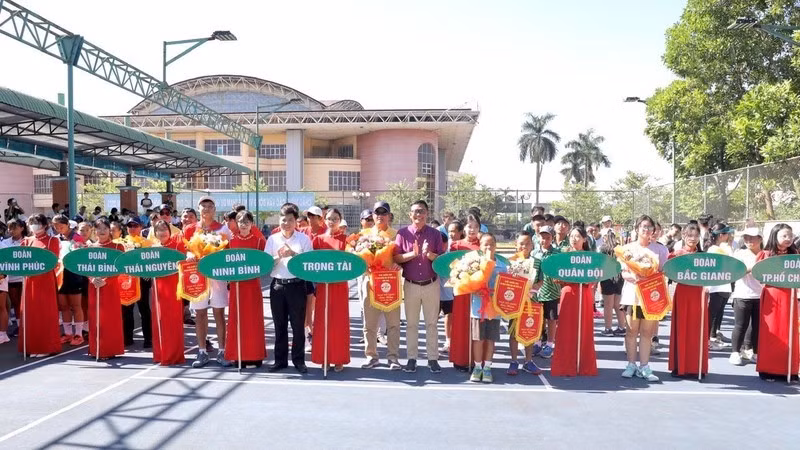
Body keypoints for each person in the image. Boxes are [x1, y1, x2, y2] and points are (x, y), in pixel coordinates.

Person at [394, 200, 444, 374]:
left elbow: (442, 260)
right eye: (415, 211)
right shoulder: (402, 233)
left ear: (427, 214)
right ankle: (411, 358)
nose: (418, 215)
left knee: (432, 323)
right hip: (411, 285)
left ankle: (433, 359)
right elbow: (397, 258)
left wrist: (429, 255)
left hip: (431, 284)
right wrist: (412, 254)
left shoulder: (435, 234)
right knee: (411, 324)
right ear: (410, 215)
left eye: (421, 211)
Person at [184, 197, 232, 368]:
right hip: (196, 277)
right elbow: (185, 249)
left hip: (217, 275)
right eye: (203, 206)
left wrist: (215, 257)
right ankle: (202, 351)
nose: (206, 209)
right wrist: (189, 255)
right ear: (198, 209)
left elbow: (228, 251)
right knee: (200, 314)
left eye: (210, 206)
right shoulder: (190, 229)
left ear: (215, 209)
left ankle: (222, 351)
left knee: (219, 312)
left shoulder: (223, 228)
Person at [619, 215, 669, 382]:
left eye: (649, 227)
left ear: (653, 230)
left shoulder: (660, 250)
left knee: (647, 333)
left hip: (650, 298)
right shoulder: (627, 249)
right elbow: (623, 272)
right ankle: (631, 364)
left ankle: (645, 366)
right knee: (631, 331)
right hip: (631, 295)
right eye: (643, 226)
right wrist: (635, 278)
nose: (646, 230)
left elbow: (663, 272)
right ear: (637, 229)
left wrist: (650, 278)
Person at [265, 203, 313, 373]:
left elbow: (308, 263)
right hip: (278, 286)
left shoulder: (303, 239)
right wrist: (277, 257)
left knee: (298, 325)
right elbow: (266, 265)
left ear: (296, 222)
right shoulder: (272, 239)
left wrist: (293, 254)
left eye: (290, 220)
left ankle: (299, 361)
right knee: (279, 325)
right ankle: (280, 361)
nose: (286, 223)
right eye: (283, 220)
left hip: (297, 286)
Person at [359, 201, 401, 370]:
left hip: (391, 284)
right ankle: (371, 356)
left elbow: (401, 258)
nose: (380, 216)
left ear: (389, 216)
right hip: (370, 282)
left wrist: (400, 266)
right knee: (369, 324)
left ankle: (393, 357)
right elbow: (358, 258)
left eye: (384, 213)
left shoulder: (396, 235)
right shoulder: (364, 234)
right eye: (377, 213)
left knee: (393, 324)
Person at [550, 226, 598, 376]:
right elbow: (556, 277)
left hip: (584, 294)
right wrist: (568, 278)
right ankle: (565, 364)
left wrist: (586, 281)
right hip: (568, 294)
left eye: (578, 236)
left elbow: (595, 276)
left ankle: (583, 364)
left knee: (584, 328)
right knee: (566, 328)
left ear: (584, 239)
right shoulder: (564, 255)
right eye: (572, 236)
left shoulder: (591, 257)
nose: (574, 239)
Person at [755, 224, 799, 381]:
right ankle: (768, 369)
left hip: (790, 296)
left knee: (790, 332)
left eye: (790, 236)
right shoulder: (765, 254)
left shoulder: (795, 255)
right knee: (771, 333)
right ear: (775, 236)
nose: (788, 239)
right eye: (784, 236)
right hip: (772, 297)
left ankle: (789, 369)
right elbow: (758, 274)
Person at [225, 210, 268, 368]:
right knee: (237, 320)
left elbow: (267, 262)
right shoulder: (230, 242)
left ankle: (255, 355)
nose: (243, 225)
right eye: (241, 221)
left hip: (253, 287)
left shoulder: (258, 242)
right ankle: (238, 355)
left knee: (253, 320)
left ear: (252, 224)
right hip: (236, 287)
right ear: (236, 223)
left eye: (247, 222)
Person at [310, 208, 350, 372]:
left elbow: (351, 263)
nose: (332, 221)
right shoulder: (318, 240)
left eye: (335, 218)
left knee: (338, 323)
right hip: (323, 287)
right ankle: (324, 357)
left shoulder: (347, 240)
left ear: (340, 220)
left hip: (340, 286)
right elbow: (312, 263)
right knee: (322, 322)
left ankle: (339, 358)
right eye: (329, 218)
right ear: (324, 220)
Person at [667, 223, 709, 378]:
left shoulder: (704, 257)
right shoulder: (677, 254)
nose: (693, 239)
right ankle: (680, 366)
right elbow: (667, 270)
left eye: (696, 236)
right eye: (689, 236)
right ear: (683, 236)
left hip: (699, 293)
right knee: (681, 328)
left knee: (698, 330)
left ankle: (698, 366)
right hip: (683, 293)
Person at [19, 214, 61, 356]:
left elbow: (53, 261)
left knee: (44, 314)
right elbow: (20, 262)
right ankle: (32, 346)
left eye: (37, 223)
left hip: (45, 282)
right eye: (31, 223)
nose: (34, 225)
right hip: (29, 281)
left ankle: (46, 346)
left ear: (44, 225)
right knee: (30, 314)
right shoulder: (26, 241)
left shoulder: (52, 241)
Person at [86, 218, 125, 360]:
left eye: (105, 228)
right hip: (93, 286)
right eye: (98, 228)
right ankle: (96, 349)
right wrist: (91, 279)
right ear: (94, 231)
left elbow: (120, 267)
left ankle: (109, 349)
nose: (102, 231)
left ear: (110, 230)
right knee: (95, 318)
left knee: (109, 318)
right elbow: (85, 267)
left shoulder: (117, 247)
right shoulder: (89, 248)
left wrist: (105, 280)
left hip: (110, 287)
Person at [469, 233, 505, 383]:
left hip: (494, 309)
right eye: (485, 244)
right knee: (478, 339)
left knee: (490, 339)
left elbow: (506, 287)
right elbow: (466, 283)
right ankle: (477, 367)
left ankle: (488, 367)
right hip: (478, 308)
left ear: (496, 246)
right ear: (480, 247)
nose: (488, 247)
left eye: (491, 244)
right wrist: (474, 289)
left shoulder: (503, 266)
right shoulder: (474, 264)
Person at [507, 231, 542, 376]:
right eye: (521, 243)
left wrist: (533, 289)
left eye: (527, 243)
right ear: (516, 245)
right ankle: (514, 361)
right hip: (514, 302)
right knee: (514, 332)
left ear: (532, 245)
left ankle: (528, 361)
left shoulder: (538, 262)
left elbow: (541, 280)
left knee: (530, 330)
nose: (524, 246)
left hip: (531, 301)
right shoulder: (510, 261)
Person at [449, 217, 481, 371]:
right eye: (469, 226)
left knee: (476, 326)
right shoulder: (456, 246)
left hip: (478, 291)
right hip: (461, 291)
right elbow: (450, 267)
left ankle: (476, 359)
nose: (472, 229)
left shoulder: (483, 246)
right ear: (464, 229)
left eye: (475, 226)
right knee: (461, 323)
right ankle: (460, 358)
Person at [730, 227, 763, 366]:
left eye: (752, 237)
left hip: (761, 295)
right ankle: (735, 352)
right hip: (742, 294)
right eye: (746, 237)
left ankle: (753, 352)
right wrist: (754, 267)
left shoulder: (766, 254)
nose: (749, 240)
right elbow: (736, 272)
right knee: (740, 325)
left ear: (760, 239)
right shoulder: (740, 253)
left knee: (757, 326)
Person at [52, 215, 86, 346]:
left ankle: (78, 334)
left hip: (74, 275)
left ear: (67, 225)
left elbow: (79, 257)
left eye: (61, 226)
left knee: (76, 306)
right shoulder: (56, 239)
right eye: (55, 227)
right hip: (59, 275)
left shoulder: (77, 238)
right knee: (64, 306)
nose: (58, 229)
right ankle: (67, 333)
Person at [120, 217, 153, 349]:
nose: (133, 228)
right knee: (126, 309)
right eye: (130, 226)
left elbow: (151, 261)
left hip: (142, 280)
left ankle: (148, 338)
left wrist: (147, 274)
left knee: (144, 309)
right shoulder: (121, 242)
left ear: (141, 227)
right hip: (127, 280)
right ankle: (127, 337)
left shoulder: (147, 243)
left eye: (135, 225)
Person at [705, 222, 735, 349]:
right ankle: (707, 340)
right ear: (721, 235)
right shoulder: (713, 249)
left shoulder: (724, 248)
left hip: (724, 285)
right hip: (715, 287)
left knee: (719, 312)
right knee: (712, 313)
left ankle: (713, 337)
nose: (729, 235)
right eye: (727, 233)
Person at [532, 225, 560, 358]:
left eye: (548, 237)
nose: (545, 240)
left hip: (552, 292)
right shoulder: (534, 253)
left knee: (552, 319)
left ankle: (549, 344)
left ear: (552, 238)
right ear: (538, 238)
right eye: (542, 237)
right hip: (537, 292)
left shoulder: (557, 254)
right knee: (538, 319)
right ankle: (537, 342)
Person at [439, 220, 463, 356]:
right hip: (443, 287)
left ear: (460, 233)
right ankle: (447, 341)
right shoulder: (444, 247)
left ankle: (457, 341)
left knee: (455, 314)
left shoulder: (463, 248)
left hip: (460, 287)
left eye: (454, 231)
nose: (452, 234)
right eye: (450, 231)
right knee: (447, 314)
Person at [1, 219, 27, 340]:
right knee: (16, 303)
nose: (11, 231)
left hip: (24, 278)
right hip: (9, 279)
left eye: (14, 228)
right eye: (9, 228)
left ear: (22, 228)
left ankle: (27, 325)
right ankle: (19, 325)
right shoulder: (4, 243)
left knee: (25, 303)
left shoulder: (28, 241)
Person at [599, 229, 626, 337]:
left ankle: (608, 328)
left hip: (607, 277)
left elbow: (601, 263)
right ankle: (621, 327)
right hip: (619, 277)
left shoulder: (603, 248)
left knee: (608, 305)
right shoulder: (620, 248)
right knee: (617, 304)